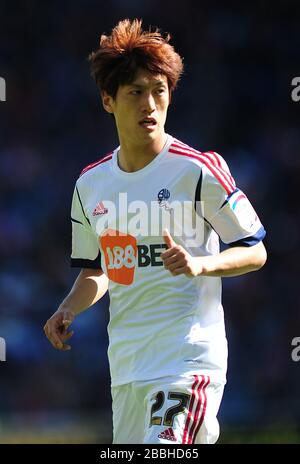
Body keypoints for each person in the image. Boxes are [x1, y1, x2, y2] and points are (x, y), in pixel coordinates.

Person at [44, 18, 267, 444]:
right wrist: (68, 309)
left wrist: (201, 265)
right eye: (136, 93)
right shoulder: (91, 185)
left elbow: (254, 250)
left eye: (158, 91)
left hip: (187, 362)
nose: (150, 104)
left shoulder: (196, 169)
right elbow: (101, 270)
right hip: (128, 369)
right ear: (108, 101)